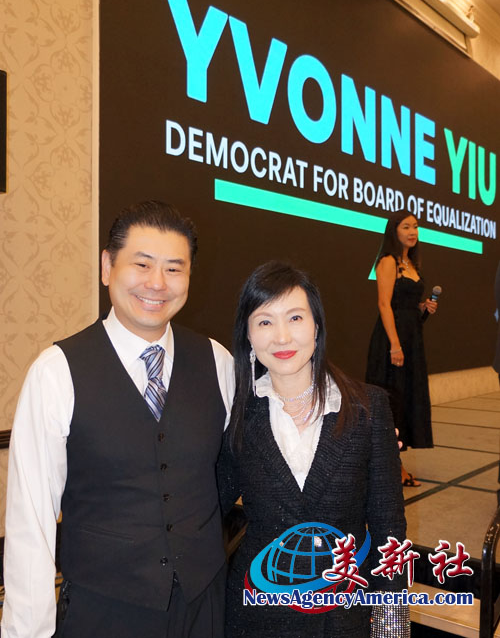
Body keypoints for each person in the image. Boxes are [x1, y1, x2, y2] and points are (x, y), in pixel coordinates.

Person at [2, 200, 234, 638]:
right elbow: (30, 518)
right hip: (104, 611)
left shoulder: (218, 362)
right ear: (107, 266)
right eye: (142, 264)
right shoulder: (57, 371)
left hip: (204, 606)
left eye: (174, 269)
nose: (157, 283)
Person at [217, 261, 408, 638]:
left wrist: (391, 627)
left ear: (316, 326)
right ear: (248, 336)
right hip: (256, 616)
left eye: (295, 318)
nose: (281, 337)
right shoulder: (236, 412)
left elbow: (389, 527)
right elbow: (208, 506)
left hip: (345, 618)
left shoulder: (368, 408)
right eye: (265, 321)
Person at [365, 210, 437, 487]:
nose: (412, 232)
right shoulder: (388, 261)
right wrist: (394, 345)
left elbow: (405, 304)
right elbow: (384, 304)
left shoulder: (411, 264)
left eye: (415, 226)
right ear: (394, 231)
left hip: (412, 340)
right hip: (391, 342)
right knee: (392, 402)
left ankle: (397, 464)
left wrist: (423, 307)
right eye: (406, 227)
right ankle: (393, 468)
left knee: (406, 401)